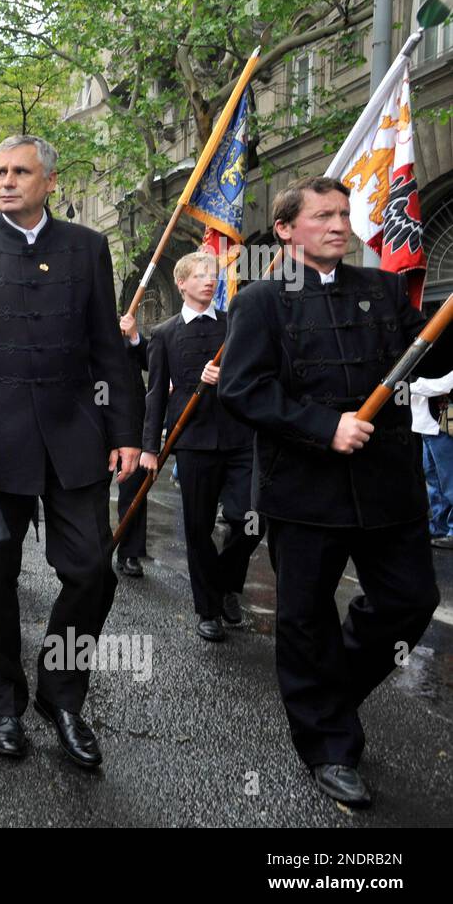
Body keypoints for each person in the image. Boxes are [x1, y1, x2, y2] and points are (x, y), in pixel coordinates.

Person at [220, 175, 453, 809]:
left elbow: (426, 361)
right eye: (323, 215)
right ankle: (327, 745)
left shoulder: (379, 289)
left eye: (344, 214)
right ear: (287, 230)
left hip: (387, 488)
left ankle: (328, 694)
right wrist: (324, 427)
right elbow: (241, 390)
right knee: (305, 619)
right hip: (305, 492)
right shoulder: (261, 302)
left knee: (411, 601)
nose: (339, 225)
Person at [0, 134, 140, 768]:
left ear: (49, 180)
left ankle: (61, 693)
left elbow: (109, 346)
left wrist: (128, 432)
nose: (6, 181)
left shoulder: (87, 248)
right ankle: (4, 704)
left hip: (74, 438)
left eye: (20, 171)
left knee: (91, 571)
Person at [141, 252, 262, 641]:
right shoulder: (164, 334)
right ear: (182, 284)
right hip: (192, 440)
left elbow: (256, 373)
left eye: (213, 276)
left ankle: (225, 583)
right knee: (197, 527)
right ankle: (208, 608)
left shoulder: (233, 326)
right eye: (200, 276)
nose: (210, 281)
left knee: (250, 519)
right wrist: (149, 447)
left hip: (240, 436)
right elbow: (156, 394)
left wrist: (227, 374)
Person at [114, 312, 150, 578]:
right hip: (94, 422)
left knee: (134, 489)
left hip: (131, 422)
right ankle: (94, 549)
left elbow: (154, 362)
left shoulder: (130, 338)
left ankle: (129, 552)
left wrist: (136, 336)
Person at [408, 370, 453, 548]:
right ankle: (440, 526)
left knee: (450, 483)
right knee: (434, 483)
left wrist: (410, 385)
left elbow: (446, 382)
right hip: (425, 426)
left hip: (442, 425)